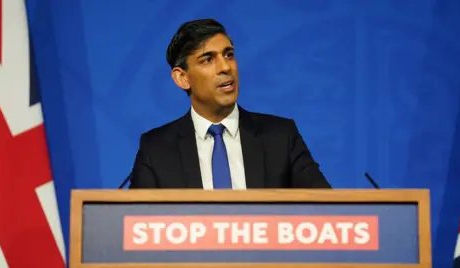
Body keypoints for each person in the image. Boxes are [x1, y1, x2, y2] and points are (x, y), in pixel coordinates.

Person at [129, 18, 331, 189]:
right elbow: (135, 226)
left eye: (229, 55)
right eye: (208, 59)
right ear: (182, 78)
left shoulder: (280, 137)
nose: (225, 67)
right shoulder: (156, 149)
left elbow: (327, 210)